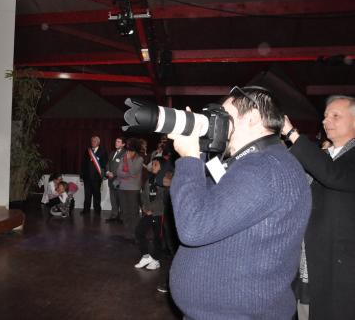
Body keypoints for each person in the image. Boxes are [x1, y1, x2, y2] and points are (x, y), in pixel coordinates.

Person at [168, 86, 311, 319]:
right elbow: (207, 201)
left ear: (253, 118)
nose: (218, 122)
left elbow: (194, 227)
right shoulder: (258, 162)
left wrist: (189, 159)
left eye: (224, 116)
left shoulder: (265, 168)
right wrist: (202, 148)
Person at [283, 95, 355, 320]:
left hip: (340, 264)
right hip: (308, 259)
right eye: (325, 116)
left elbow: (332, 176)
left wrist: (292, 134)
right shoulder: (323, 155)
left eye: (335, 116)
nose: (326, 121)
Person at [134, 160, 166, 270]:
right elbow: (143, 196)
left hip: (158, 213)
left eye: (156, 164)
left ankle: (156, 260)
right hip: (149, 212)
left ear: (161, 167)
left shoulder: (164, 181)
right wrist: (144, 208)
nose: (153, 166)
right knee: (139, 231)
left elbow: (162, 199)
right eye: (153, 164)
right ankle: (146, 256)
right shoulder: (149, 179)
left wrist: (152, 210)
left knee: (157, 237)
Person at [116, 138, 144, 240]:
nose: (128, 152)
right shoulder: (124, 157)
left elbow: (133, 171)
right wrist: (127, 175)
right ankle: (129, 232)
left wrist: (128, 161)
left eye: (130, 151)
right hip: (122, 188)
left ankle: (136, 233)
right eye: (128, 150)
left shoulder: (139, 159)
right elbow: (118, 172)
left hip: (133, 189)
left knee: (133, 212)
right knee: (125, 212)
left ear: (134, 151)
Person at [80, 135, 107, 214]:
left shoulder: (103, 151)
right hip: (87, 177)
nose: (92, 142)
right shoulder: (87, 150)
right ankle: (86, 210)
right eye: (92, 141)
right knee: (87, 195)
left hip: (96, 178)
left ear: (98, 142)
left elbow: (105, 164)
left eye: (94, 141)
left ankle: (97, 210)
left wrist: (103, 175)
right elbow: (83, 164)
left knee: (96, 195)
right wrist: (82, 175)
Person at [105, 137, 126, 223]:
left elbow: (125, 167)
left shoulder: (125, 154)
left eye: (118, 141)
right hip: (111, 180)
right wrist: (107, 172)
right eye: (116, 141)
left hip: (120, 181)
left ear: (123, 144)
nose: (116, 143)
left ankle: (122, 218)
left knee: (121, 200)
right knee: (113, 200)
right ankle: (114, 215)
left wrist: (115, 174)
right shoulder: (112, 153)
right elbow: (108, 164)